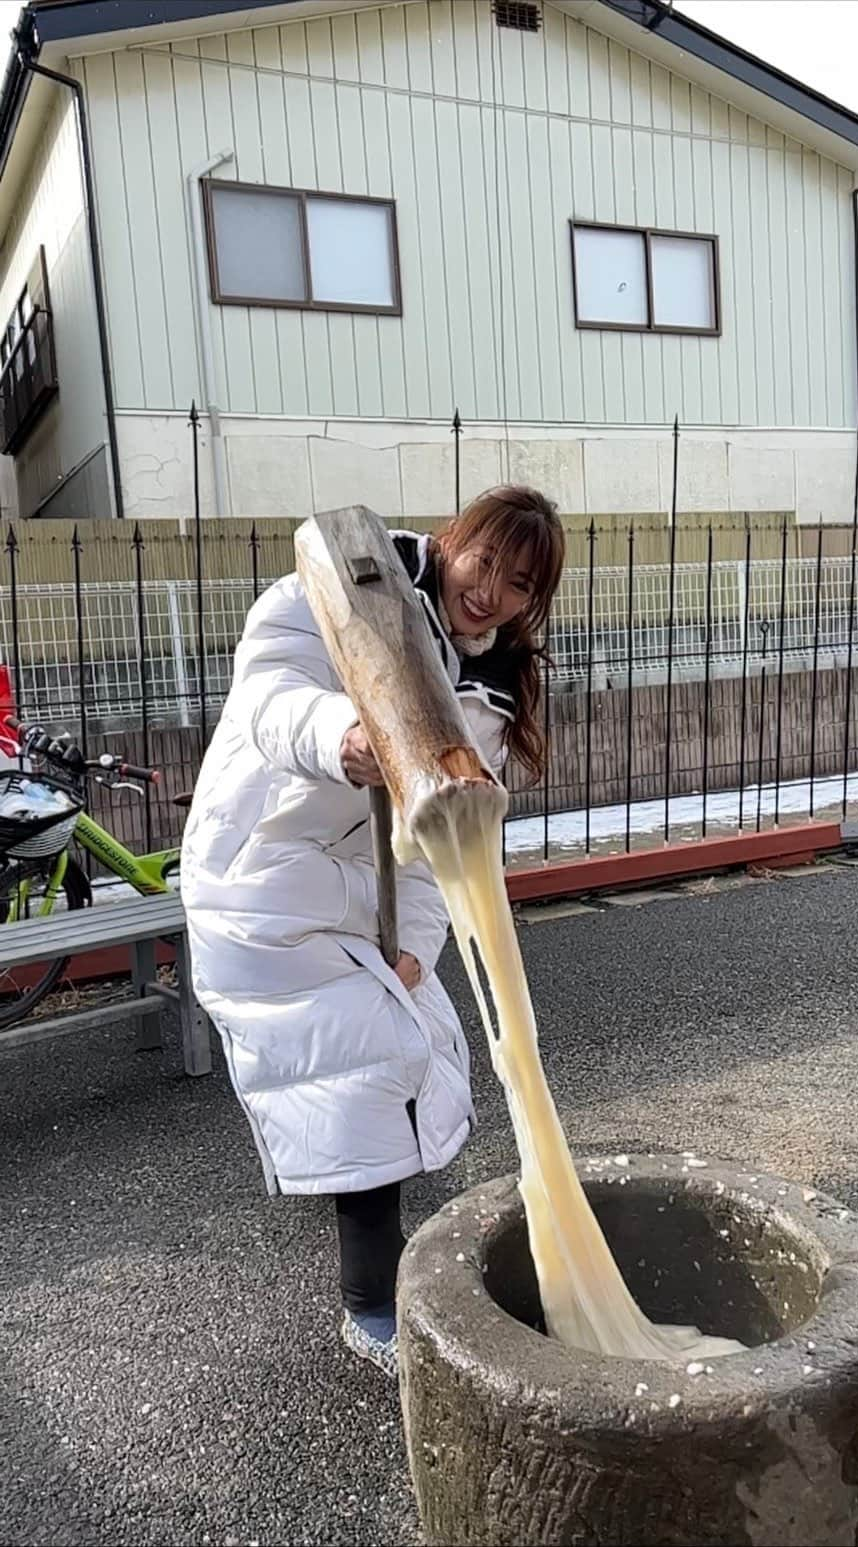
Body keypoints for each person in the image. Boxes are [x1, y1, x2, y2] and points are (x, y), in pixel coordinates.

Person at [180, 486, 565, 1377]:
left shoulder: (488, 695)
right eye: (483, 562)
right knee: (363, 1071)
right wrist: (339, 734)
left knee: (412, 1052)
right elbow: (270, 698)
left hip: (368, 894)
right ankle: (371, 1305)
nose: (492, 593)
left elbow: (442, 849)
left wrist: (416, 945)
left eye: (518, 585)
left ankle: (403, 1274)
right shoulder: (321, 594)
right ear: (450, 538)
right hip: (263, 870)